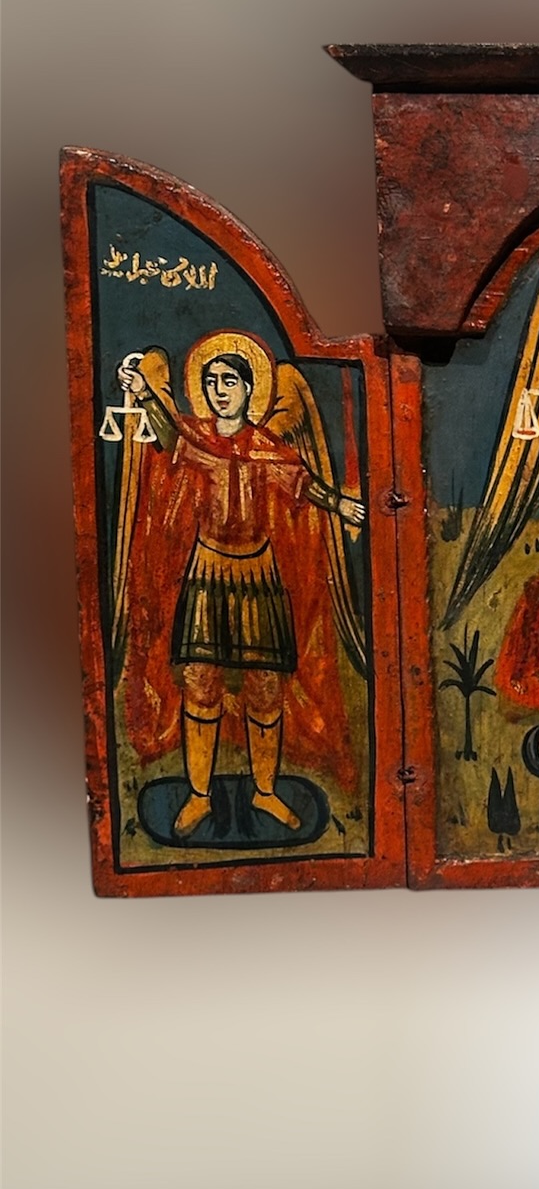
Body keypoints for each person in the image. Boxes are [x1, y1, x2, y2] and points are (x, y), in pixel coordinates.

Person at [119, 338, 365, 837]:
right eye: (211, 382)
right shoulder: (196, 438)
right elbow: (166, 435)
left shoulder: (267, 447)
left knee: (266, 686)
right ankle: (199, 796)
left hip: (256, 574)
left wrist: (339, 503)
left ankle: (265, 792)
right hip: (207, 570)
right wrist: (144, 392)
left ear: (249, 390)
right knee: (200, 680)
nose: (219, 390)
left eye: (229, 381)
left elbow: (302, 484)